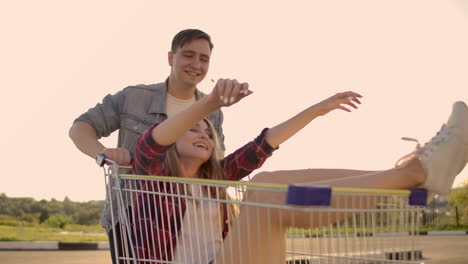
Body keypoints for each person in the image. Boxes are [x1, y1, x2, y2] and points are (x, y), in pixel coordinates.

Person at [131, 79, 468, 264]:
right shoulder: (152, 176)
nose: (204, 134)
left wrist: (318, 109)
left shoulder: (215, 179)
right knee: (264, 191)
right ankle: (415, 172)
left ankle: (410, 172)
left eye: (208, 131)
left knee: (267, 182)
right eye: (194, 130)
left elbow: (263, 144)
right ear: (174, 137)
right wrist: (209, 105)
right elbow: (150, 143)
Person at [68, 29, 227, 264]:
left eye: (204, 59)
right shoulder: (134, 98)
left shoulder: (212, 110)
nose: (196, 64)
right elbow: (80, 128)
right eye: (188, 55)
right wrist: (104, 154)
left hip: (191, 218)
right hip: (133, 213)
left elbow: (216, 165)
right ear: (171, 58)